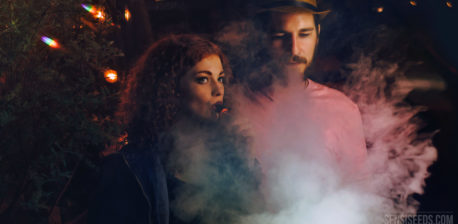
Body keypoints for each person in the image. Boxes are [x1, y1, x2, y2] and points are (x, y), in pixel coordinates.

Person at [88, 34, 262, 224]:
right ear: (170, 88)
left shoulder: (228, 152)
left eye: (220, 78)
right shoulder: (129, 168)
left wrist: (247, 158)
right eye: (203, 79)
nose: (218, 90)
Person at [232, 0, 367, 176]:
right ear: (263, 37)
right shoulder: (237, 105)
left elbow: (358, 187)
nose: (294, 49)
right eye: (280, 36)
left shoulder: (343, 108)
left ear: (317, 34)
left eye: (304, 34)